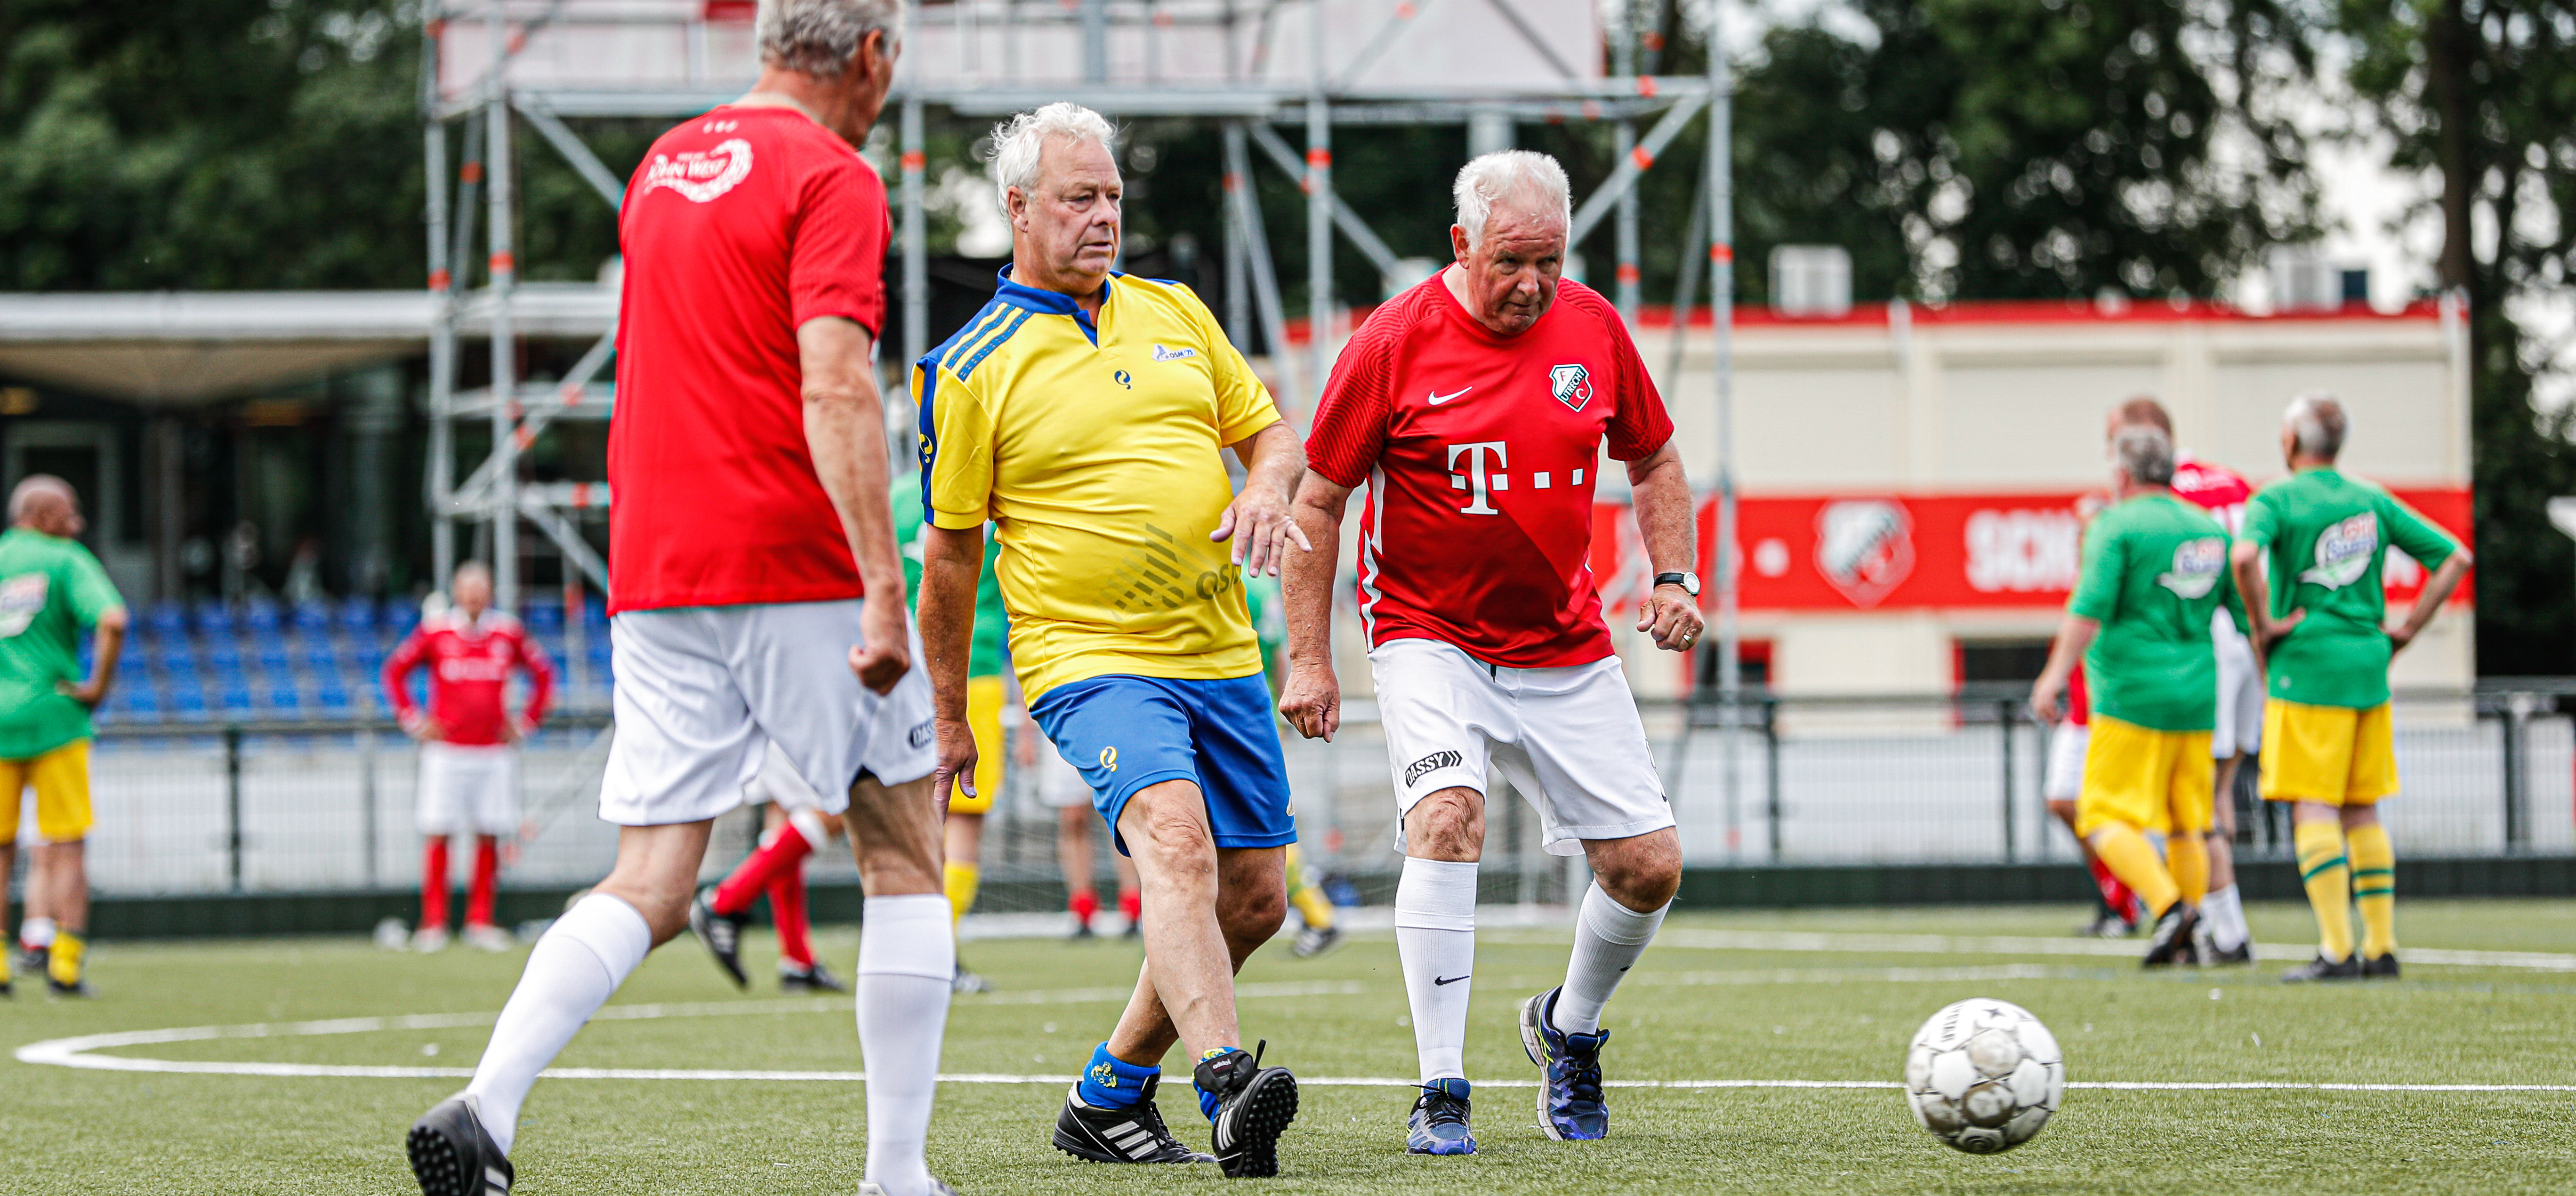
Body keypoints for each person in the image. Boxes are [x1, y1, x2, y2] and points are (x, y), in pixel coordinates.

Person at [403, 7, 959, 1196]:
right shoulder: (834, 172)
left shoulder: (664, 164)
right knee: (902, 849)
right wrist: (879, 584)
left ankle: (487, 1106)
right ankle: (896, 1175)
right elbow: (835, 384)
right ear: (868, 55)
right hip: (794, 556)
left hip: (654, 563)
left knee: (651, 876)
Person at [915, 102, 1308, 1178]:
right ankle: (1227, 1080)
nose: (1101, 218)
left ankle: (1107, 1095)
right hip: (1086, 658)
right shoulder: (966, 367)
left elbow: (1270, 435)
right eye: (1076, 199)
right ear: (1018, 209)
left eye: (1112, 199)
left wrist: (1269, 489)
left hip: (1220, 648)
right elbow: (948, 559)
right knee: (1174, 843)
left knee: (1257, 899)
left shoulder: (1176, 310)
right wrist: (947, 715)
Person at [1278, 150, 1697, 1156]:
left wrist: (1673, 576)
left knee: (1648, 868)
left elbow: (1655, 457)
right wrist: (1310, 657)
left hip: (1566, 640)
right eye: (1513, 260)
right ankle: (1442, 1088)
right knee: (1449, 818)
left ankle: (1570, 1029)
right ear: (1463, 244)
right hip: (1428, 636)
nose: (1533, 284)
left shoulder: (1594, 328)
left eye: (1550, 260)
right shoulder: (1392, 339)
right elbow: (1319, 500)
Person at [692, 477, 992, 994]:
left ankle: (794, 957)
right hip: (829, 652)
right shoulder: (845, 488)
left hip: (770, 649)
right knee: (865, 808)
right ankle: (727, 900)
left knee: (789, 809)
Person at [2230, 392, 2470, 983]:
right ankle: (2381, 947)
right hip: (2368, 667)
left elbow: (2242, 557)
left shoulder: (2277, 498)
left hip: (2306, 666)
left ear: (2291, 442)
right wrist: (2407, 630)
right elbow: (2455, 558)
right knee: (2363, 809)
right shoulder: (2371, 498)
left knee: (2314, 804)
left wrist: (2263, 626)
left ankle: (2336, 950)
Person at [2030, 425, 2241, 969]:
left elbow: (2089, 608)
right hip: (2197, 697)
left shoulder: (2115, 526)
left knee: (2099, 812)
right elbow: (2240, 612)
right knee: (2186, 822)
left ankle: (2170, 908)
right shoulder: (2206, 527)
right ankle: (2190, 933)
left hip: (2130, 696)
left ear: (2122, 475)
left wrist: (2054, 675)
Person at [2110, 397, 2260, 965]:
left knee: (2199, 803)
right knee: (2218, 791)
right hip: (2246, 639)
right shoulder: (2237, 483)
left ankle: (2223, 931)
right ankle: (2222, 929)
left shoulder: (2161, 501)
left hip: (2200, 646)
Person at [383, 562, 555, 954]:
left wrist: (526, 723)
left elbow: (544, 675)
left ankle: (481, 920)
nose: (475, 598)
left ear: (490, 593)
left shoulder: (507, 632)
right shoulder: (436, 630)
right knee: (439, 831)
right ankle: (434, 923)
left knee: (489, 833)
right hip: (446, 752)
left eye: (481, 590)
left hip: (494, 752)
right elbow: (395, 672)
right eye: (468, 590)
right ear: (457, 593)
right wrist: (414, 721)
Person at [0, 475, 126, 998]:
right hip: (57, 718)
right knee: (68, 844)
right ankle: (65, 966)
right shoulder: (67, 558)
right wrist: (96, 687)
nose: (77, 523)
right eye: (69, 511)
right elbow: (114, 620)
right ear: (42, 513)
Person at [2042, 665, 2143, 938]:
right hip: (2077, 718)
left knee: (2105, 814)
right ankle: (2115, 891)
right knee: (2063, 805)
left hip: (2103, 720)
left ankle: (2128, 899)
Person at [1042, 737, 1143, 939]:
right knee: (1073, 819)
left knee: (1116, 816)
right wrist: (1025, 737)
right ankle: (1082, 908)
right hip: (1064, 724)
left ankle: (1134, 907)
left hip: (1108, 730)